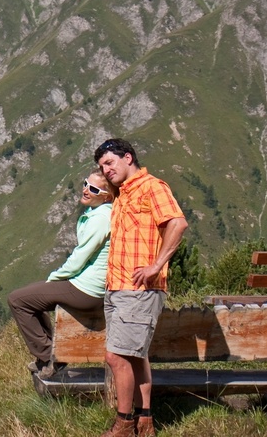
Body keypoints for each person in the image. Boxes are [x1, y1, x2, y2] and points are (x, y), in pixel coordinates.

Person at [94, 138, 187, 437]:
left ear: (128, 157)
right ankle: (144, 421)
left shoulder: (152, 186)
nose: (106, 170)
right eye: (101, 166)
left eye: (110, 163)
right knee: (135, 355)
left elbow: (177, 223)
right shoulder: (121, 195)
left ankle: (123, 423)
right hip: (118, 286)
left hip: (139, 288)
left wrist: (156, 266)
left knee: (116, 357)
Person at [8, 169, 116, 379]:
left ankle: (50, 357)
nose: (85, 190)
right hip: (92, 285)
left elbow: (80, 256)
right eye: (85, 183)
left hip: (88, 289)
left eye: (93, 189)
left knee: (17, 300)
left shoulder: (101, 218)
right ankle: (51, 353)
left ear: (106, 195)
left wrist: (56, 277)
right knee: (31, 295)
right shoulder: (101, 213)